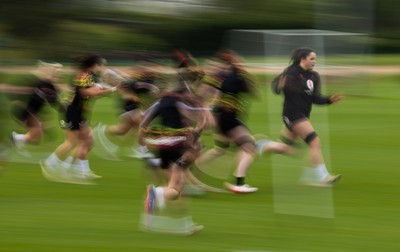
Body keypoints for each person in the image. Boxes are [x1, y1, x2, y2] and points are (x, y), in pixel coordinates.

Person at [140, 79, 207, 234]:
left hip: (162, 146)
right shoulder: (180, 102)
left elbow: (143, 124)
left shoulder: (160, 103)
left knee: (177, 190)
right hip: (176, 147)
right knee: (176, 188)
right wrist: (200, 121)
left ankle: (155, 220)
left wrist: (143, 147)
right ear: (182, 93)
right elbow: (196, 124)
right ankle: (156, 193)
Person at [41, 54, 119, 184]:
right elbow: (87, 93)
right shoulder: (84, 76)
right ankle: (49, 163)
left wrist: (108, 90)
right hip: (72, 112)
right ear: (95, 65)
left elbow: (94, 91)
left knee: (88, 141)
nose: (103, 67)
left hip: (80, 113)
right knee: (71, 142)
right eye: (101, 65)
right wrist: (110, 91)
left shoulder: (90, 76)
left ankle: (81, 171)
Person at [271, 47, 343, 187]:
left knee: (285, 148)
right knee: (314, 142)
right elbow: (275, 88)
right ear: (302, 59)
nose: (314, 62)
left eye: (315, 59)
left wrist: (329, 100)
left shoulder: (314, 76)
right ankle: (323, 177)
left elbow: (315, 98)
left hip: (302, 115)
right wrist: (279, 85)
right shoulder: (291, 72)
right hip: (292, 114)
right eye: (311, 59)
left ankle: (261, 146)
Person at [194, 50, 260, 193]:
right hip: (228, 118)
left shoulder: (219, 77)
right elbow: (255, 93)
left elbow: (201, 95)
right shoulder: (236, 76)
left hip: (221, 117)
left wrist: (207, 114)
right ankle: (239, 183)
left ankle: (194, 167)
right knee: (250, 147)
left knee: (220, 149)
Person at [94, 61, 161, 160]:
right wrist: (133, 97)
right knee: (142, 125)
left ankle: (103, 130)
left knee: (124, 130)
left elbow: (146, 94)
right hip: (128, 107)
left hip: (135, 107)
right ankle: (141, 150)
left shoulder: (145, 82)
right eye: (146, 72)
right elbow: (124, 94)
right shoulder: (132, 81)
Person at [10, 60, 64, 156]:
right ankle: (15, 138)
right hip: (27, 110)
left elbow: (51, 98)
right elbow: (54, 102)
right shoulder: (47, 85)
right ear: (54, 75)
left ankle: (19, 141)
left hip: (30, 110)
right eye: (58, 75)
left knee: (38, 130)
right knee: (37, 129)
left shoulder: (45, 83)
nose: (60, 77)